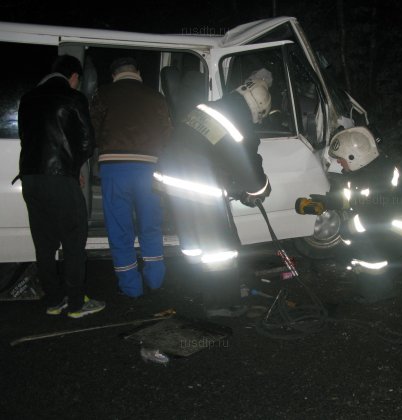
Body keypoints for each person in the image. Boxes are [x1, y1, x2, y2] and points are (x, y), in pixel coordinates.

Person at [154, 69, 272, 317]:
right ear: (257, 110)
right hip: (198, 187)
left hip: (173, 182)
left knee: (196, 245)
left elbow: (212, 153)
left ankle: (201, 289)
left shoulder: (208, 109)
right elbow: (247, 165)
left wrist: (234, 186)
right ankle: (222, 304)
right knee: (220, 248)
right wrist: (259, 190)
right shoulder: (237, 123)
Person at [17, 54, 105, 318]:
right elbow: (87, 142)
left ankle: (54, 301)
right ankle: (77, 304)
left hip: (30, 179)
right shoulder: (72, 96)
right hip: (60, 179)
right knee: (73, 240)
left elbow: (25, 137)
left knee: (43, 243)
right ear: (74, 76)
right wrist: (74, 166)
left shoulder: (27, 98)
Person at [298, 126, 402, 302]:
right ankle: (389, 273)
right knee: (353, 244)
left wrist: (347, 232)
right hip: (389, 228)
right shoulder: (364, 173)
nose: (339, 163)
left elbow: (374, 216)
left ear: (354, 157)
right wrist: (326, 202)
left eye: (341, 159)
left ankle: (377, 291)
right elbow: (353, 200)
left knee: (363, 245)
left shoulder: (379, 177)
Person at [90, 57, 172, 298]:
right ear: (137, 72)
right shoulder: (156, 96)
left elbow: (92, 130)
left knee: (119, 228)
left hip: (114, 167)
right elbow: (167, 133)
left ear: (114, 74)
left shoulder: (101, 94)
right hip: (149, 167)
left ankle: (130, 287)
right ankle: (156, 279)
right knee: (150, 223)